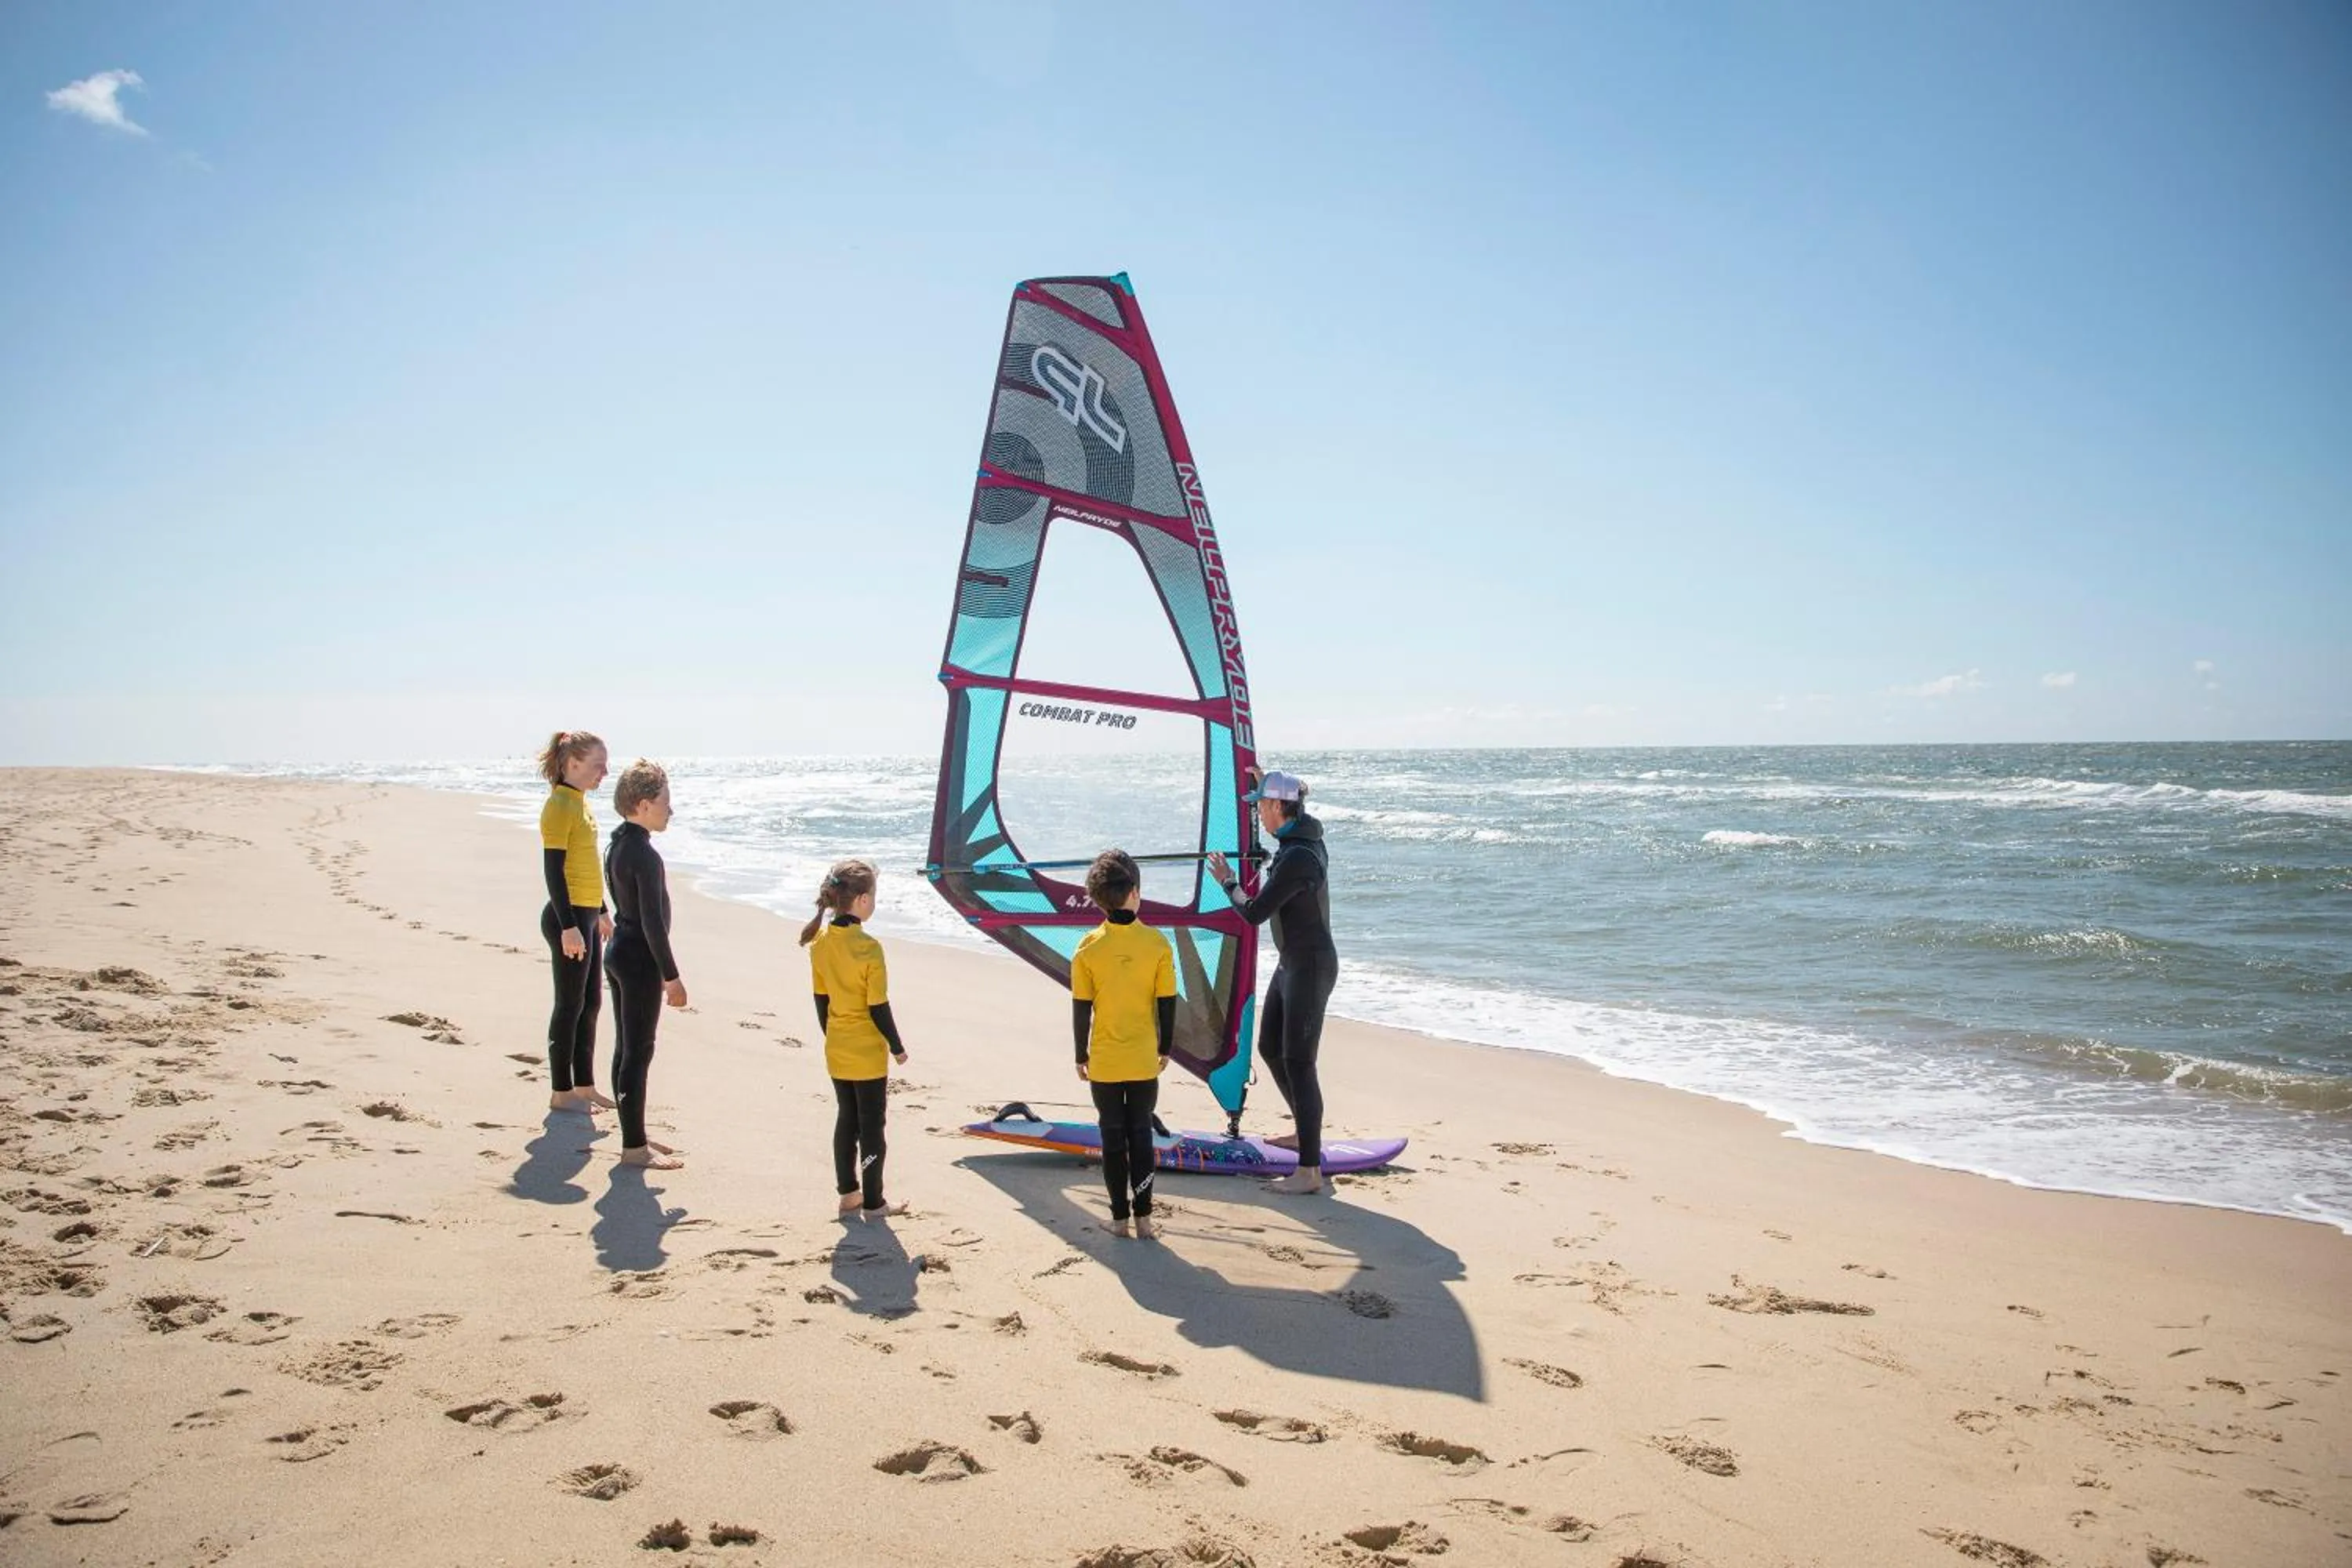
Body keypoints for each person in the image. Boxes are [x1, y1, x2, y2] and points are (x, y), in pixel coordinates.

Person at [1206, 768, 1335, 1195]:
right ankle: (1303, 1131)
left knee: (1300, 1062)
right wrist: (1269, 783)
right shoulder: (1301, 839)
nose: (1258, 813)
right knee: (1268, 1047)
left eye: (1261, 805)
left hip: (1310, 967)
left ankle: (1309, 1171)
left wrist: (1227, 881)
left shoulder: (1298, 855)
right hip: (1292, 963)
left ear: (1279, 807)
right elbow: (1295, 812)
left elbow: (1255, 911)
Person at [1071, 849, 1178, 1240]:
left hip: (1105, 1061)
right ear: (1134, 892)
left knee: (1112, 1138)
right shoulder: (1157, 944)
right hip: (1143, 1058)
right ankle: (1145, 1219)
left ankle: (1119, 1220)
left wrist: (1080, 1053)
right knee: (1141, 1135)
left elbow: (1082, 1008)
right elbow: (1167, 1004)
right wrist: (1165, 1047)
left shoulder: (1087, 947)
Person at [800, 859, 909, 1219]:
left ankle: (849, 1194)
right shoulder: (868, 947)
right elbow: (878, 1006)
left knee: (846, 1118)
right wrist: (897, 1045)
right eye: (874, 896)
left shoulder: (820, 943)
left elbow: (822, 1002)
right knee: (872, 1124)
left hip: (837, 1045)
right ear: (861, 900)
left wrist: (833, 1036)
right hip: (866, 1050)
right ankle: (875, 1202)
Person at [603, 760, 688, 1170]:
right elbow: (654, 923)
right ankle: (634, 1148)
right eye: (665, 802)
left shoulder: (618, 844)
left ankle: (632, 1133)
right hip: (638, 958)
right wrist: (671, 977)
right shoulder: (646, 856)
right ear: (642, 804)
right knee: (639, 1052)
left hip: (618, 950)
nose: (670, 810)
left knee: (625, 1049)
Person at [537, 730, 615, 1115]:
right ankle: (561, 1090)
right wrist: (569, 925)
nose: (605, 773)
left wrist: (601, 910)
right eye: (599, 766)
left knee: (591, 1002)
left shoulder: (581, 803)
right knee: (569, 1005)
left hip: (585, 915)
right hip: (566, 917)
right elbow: (554, 870)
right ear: (572, 764)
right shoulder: (559, 806)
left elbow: (585, 864)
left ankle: (584, 1086)